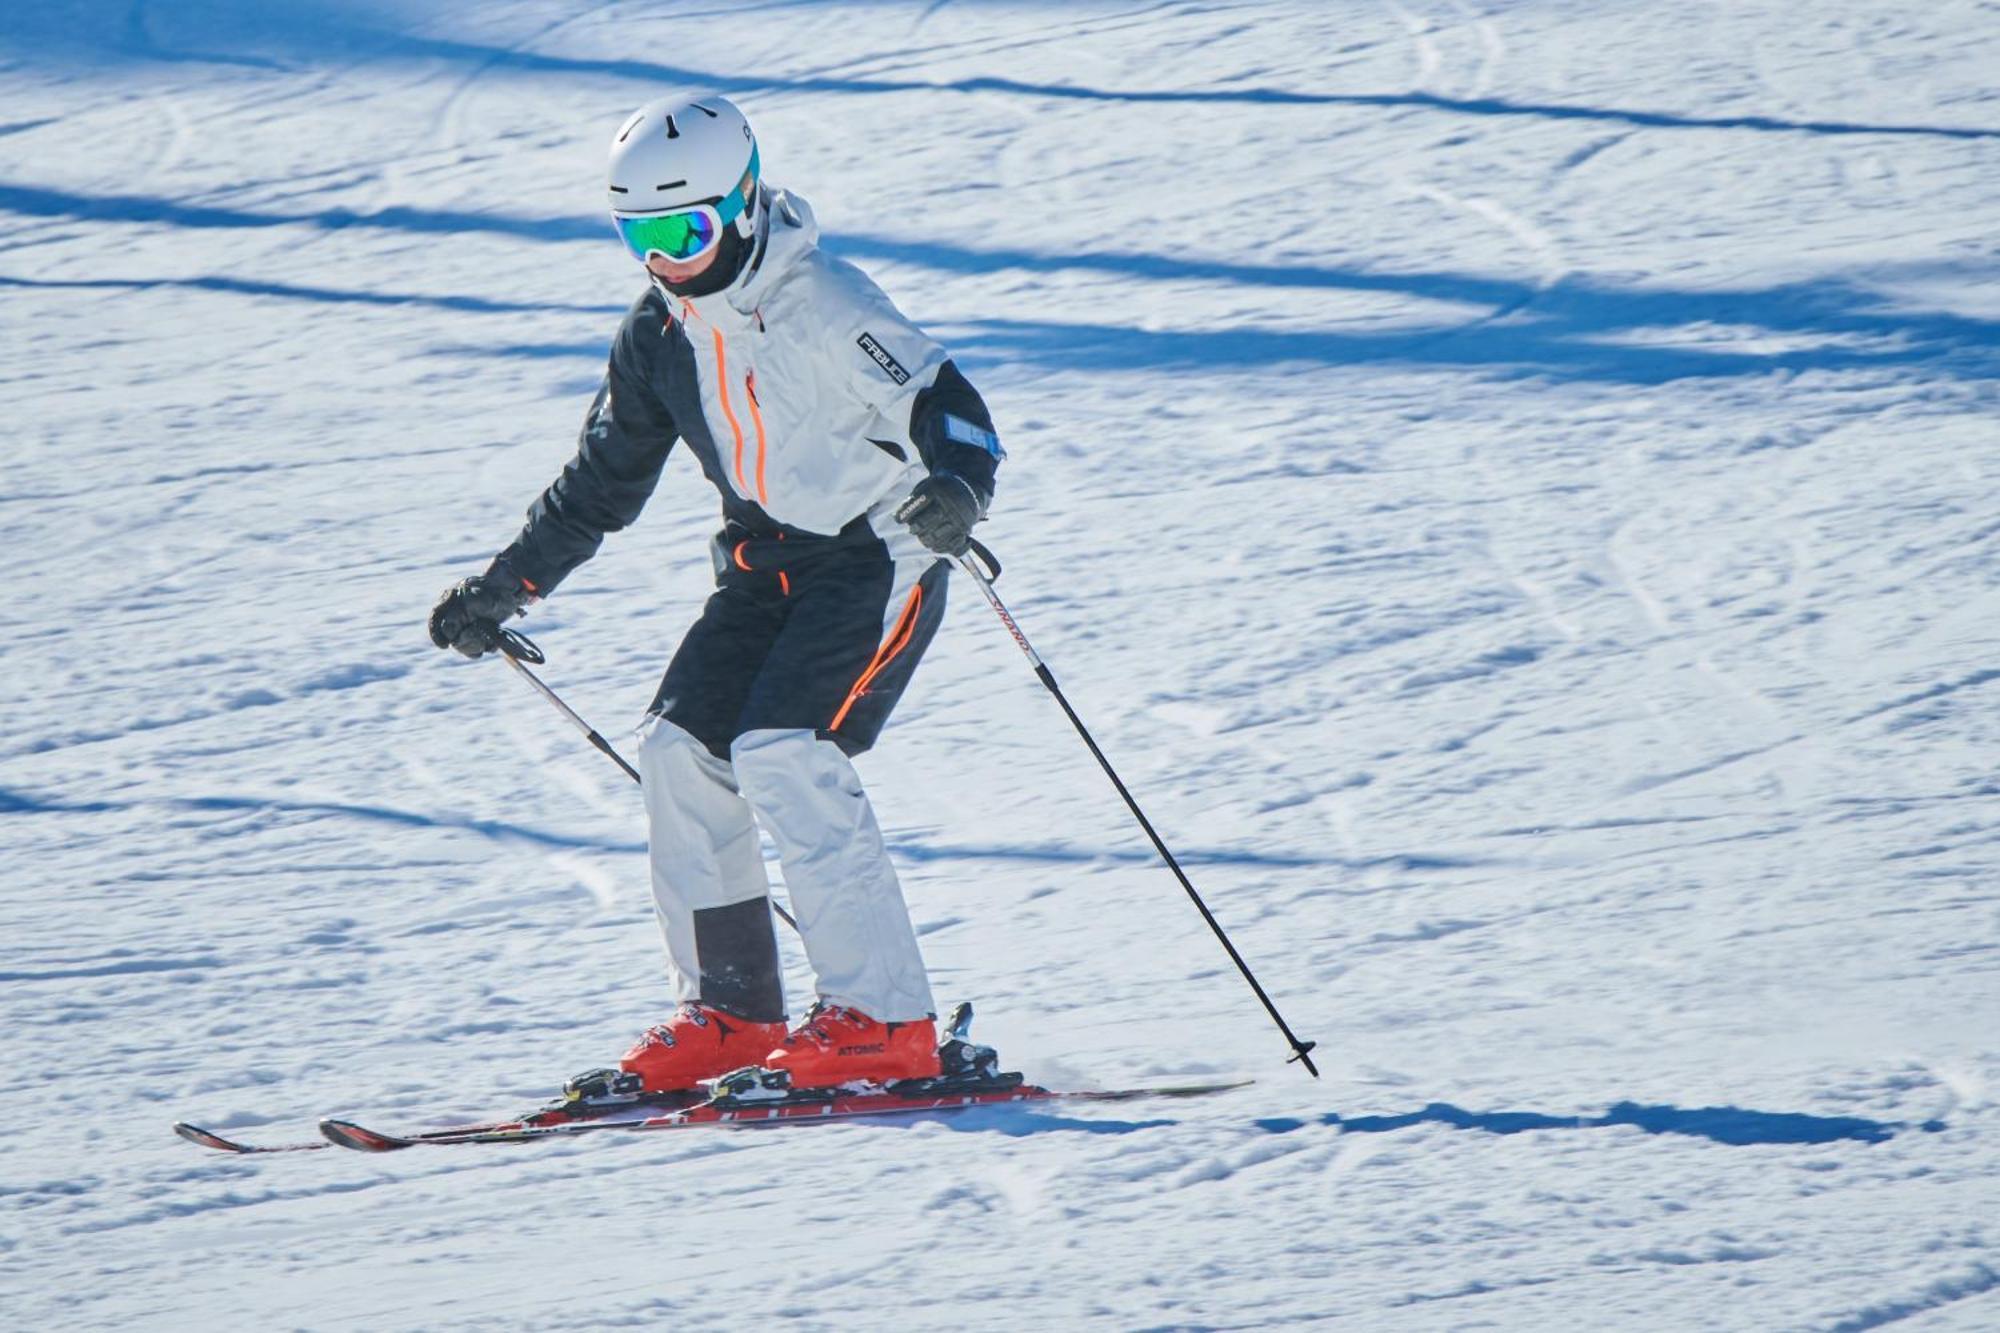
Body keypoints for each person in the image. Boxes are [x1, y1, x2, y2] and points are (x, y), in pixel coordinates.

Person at [427, 93, 1003, 1092]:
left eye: (682, 229)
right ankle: (733, 1013)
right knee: (679, 753)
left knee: (784, 752)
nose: (665, 258)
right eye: (640, 234)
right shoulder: (659, 335)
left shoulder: (825, 301)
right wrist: (504, 587)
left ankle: (885, 1021)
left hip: (876, 554)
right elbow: (601, 481)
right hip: (761, 564)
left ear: (739, 203)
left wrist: (957, 488)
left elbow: (950, 407)